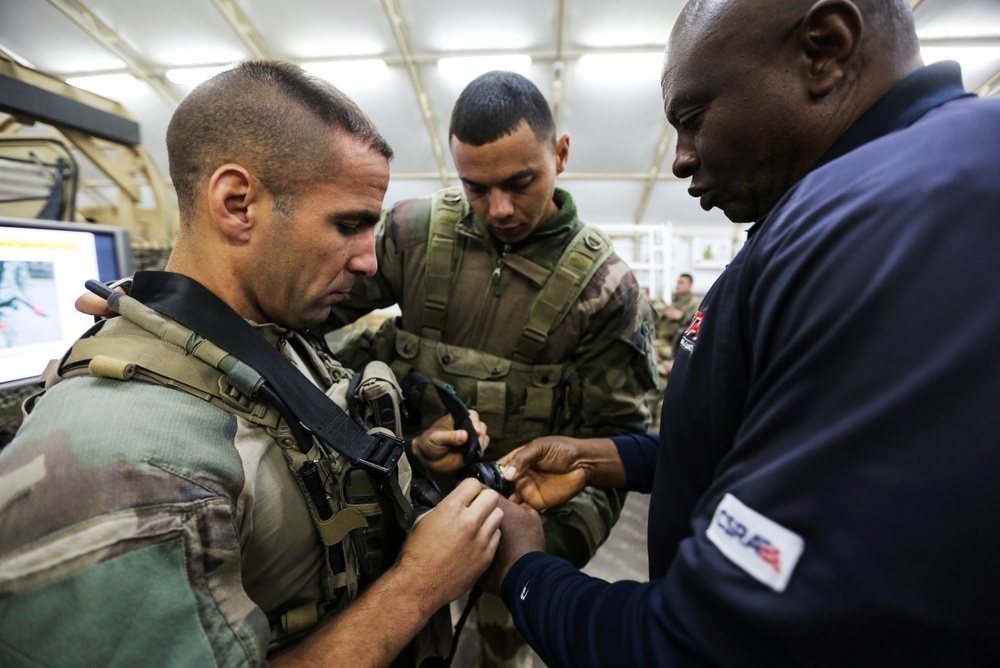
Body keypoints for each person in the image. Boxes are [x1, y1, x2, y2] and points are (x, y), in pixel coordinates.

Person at [483, 0, 1000, 665]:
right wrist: (609, 458)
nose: (680, 160)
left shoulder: (908, 215)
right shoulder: (839, 205)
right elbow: (791, 446)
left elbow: (708, 643)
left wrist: (524, 573)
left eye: (693, 120)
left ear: (825, 49)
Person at [0, 60, 507, 668]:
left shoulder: (261, 336)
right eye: (348, 225)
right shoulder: (131, 468)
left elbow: (283, 479)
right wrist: (418, 588)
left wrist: (412, 462)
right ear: (237, 203)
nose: (369, 262)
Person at [328, 70, 659, 667]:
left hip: (513, 545)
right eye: (475, 188)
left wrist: (533, 557)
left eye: (520, 182)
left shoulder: (605, 292)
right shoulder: (411, 235)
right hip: (389, 520)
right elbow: (302, 311)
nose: (499, 208)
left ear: (560, 154)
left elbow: (615, 455)